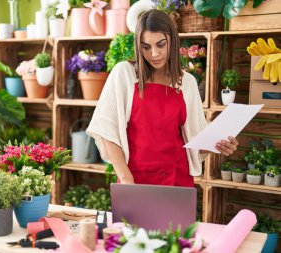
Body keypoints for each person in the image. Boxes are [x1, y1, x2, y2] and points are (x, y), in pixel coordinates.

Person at [86, 9, 238, 187]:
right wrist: (126, 178)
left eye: (161, 44)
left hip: (177, 179)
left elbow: (195, 140)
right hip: (133, 178)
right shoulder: (124, 74)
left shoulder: (186, 82)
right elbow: (106, 131)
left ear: (172, 41)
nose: (154, 54)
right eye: (146, 47)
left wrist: (218, 144)